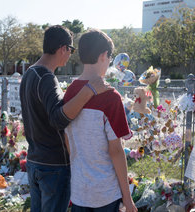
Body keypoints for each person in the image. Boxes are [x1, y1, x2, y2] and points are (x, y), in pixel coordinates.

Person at [20, 25, 110, 212]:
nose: (70, 55)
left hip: (35, 161)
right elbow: (58, 119)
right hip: (54, 165)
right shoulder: (45, 77)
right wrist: (89, 90)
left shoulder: (29, 73)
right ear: (63, 48)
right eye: (71, 50)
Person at [63, 29, 137, 212]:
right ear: (104, 55)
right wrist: (127, 199)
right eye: (110, 58)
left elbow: (67, 141)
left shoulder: (69, 93)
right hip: (106, 193)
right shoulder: (111, 96)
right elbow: (116, 151)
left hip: (79, 191)